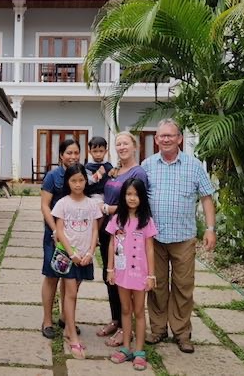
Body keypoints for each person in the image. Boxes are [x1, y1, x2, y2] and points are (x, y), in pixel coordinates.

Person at [142, 118, 216, 354]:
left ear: (179, 139)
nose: (165, 139)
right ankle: (158, 329)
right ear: (156, 140)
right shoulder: (147, 165)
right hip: (154, 238)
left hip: (183, 237)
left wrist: (210, 229)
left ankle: (182, 333)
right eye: (161, 136)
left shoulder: (194, 166)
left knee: (183, 286)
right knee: (157, 285)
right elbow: (136, 197)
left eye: (170, 135)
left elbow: (206, 198)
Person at [95, 131, 149, 347]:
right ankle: (116, 320)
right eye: (118, 144)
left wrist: (111, 208)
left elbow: (139, 203)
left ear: (134, 146)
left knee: (127, 278)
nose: (122, 147)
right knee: (110, 275)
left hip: (126, 233)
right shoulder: (114, 170)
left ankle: (128, 329)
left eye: (125, 143)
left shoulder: (138, 172)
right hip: (109, 229)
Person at [50, 163, 101, 359]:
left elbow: (95, 229)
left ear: (86, 181)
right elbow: (60, 231)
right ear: (67, 182)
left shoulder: (91, 204)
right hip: (68, 256)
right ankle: (72, 337)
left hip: (85, 256)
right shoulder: (62, 203)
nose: (78, 184)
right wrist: (72, 254)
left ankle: (67, 328)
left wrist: (90, 252)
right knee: (70, 293)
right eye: (73, 181)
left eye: (81, 180)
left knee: (74, 291)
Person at [106, 178, 157, 371]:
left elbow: (150, 249)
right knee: (125, 310)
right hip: (121, 273)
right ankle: (126, 347)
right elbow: (111, 244)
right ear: (123, 196)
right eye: (128, 194)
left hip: (140, 274)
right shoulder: (117, 219)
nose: (132, 198)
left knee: (139, 312)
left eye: (136, 194)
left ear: (142, 197)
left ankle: (139, 351)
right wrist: (110, 269)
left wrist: (151, 275)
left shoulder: (146, 221)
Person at [41, 138, 81, 339]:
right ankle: (47, 320)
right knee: (52, 275)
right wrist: (54, 230)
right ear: (61, 156)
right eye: (69, 153)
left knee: (72, 278)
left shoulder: (81, 175)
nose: (73, 157)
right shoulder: (52, 176)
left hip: (76, 236)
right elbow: (45, 206)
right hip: (54, 236)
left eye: (76, 153)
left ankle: (67, 318)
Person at [85, 136, 114, 210]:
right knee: (100, 210)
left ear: (106, 151)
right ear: (90, 152)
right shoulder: (88, 167)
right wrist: (98, 174)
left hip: (108, 194)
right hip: (94, 195)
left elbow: (113, 178)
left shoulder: (108, 165)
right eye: (95, 151)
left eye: (101, 151)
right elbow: (87, 181)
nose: (98, 154)